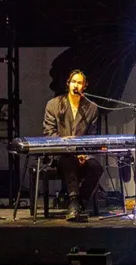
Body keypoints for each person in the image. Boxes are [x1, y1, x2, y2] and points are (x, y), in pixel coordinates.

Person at [43, 70, 104, 221]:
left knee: (96, 167)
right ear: (68, 83)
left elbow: (92, 136)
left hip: (84, 153)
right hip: (60, 154)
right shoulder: (54, 104)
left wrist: (84, 153)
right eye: (73, 82)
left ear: (85, 86)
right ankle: (74, 200)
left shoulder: (92, 107)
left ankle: (79, 203)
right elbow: (49, 133)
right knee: (69, 161)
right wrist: (72, 150)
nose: (75, 85)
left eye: (79, 82)